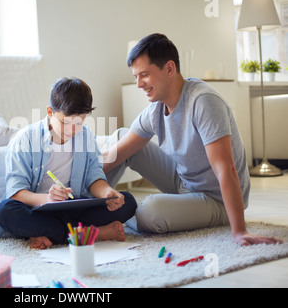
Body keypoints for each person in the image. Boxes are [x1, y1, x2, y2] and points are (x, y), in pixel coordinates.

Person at [102, 33, 282, 246]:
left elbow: (226, 169)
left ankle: (119, 222)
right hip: (183, 181)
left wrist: (240, 231)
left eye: (144, 75)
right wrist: (78, 186)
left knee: (150, 211)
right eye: (136, 77)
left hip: (217, 200)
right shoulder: (155, 109)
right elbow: (117, 153)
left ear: (169, 69)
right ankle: (90, 211)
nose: (139, 84)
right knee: (121, 139)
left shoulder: (204, 101)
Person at [0, 77, 137, 249]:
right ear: (50, 112)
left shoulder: (85, 136)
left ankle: (51, 233)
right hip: (37, 210)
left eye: (78, 123)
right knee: (5, 211)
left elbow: (94, 178)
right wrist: (48, 199)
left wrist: (108, 193)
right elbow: (16, 192)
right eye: (64, 122)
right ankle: (93, 233)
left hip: (73, 208)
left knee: (128, 202)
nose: (72, 130)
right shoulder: (25, 139)